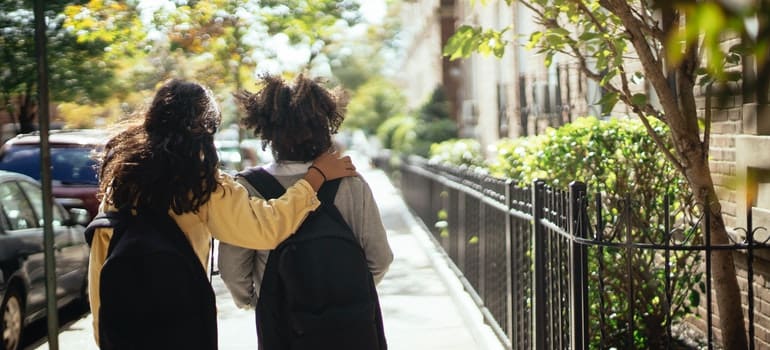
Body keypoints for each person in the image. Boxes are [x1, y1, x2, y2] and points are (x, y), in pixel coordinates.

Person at [87, 79, 357, 348]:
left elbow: (100, 266)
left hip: (123, 331)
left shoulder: (121, 180)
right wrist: (315, 178)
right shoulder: (200, 187)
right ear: (204, 129)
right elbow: (266, 228)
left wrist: (104, 338)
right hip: (179, 326)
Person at [218, 74, 393, 348]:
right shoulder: (350, 182)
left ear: (267, 130)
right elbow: (380, 258)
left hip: (284, 326)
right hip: (351, 327)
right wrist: (349, 294)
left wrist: (257, 299)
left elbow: (232, 269)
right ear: (324, 125)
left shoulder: (248, 188)